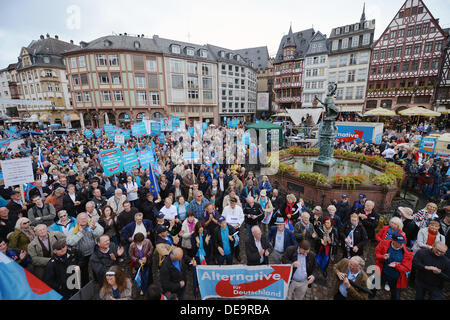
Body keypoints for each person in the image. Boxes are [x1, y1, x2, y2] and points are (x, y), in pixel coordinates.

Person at [66, 212, 104, 287]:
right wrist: (79, 233)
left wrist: (94, 228)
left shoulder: (92, 224)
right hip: (81, 255)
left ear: (88, 218)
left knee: (96, 267)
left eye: (85, 218)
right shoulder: (73, 230)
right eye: (81, 218)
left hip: (93, 251)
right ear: (77, 220)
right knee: (84, 271)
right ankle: (86, 286)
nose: (83, 220)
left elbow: (101, 232)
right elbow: (69, 242)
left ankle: (98, 281)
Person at [374, 233, 413, 300]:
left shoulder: (407, 252)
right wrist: (382, 257)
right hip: (382, 272)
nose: (401, 245)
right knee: (374, 287)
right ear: (392, 240)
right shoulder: (384, 243)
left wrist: (396, 265)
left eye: (402, 243)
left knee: (395, 296)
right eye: (399, 243)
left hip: (396, 278)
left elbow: (407, 268)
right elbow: (377, 253)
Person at [221, 197, 244, 262]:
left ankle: (237, 254)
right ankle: (230, 254)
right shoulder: (226, 208)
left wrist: (239, 224)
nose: (232, 204)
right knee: (228, 241)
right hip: (228, 228)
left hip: (236, 228)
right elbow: (223, 217)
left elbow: (242, 217)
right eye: (231, 203)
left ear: (236, 203)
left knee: (236, 241)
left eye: (233, 203)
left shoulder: (239, 208)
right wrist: (226, 224)